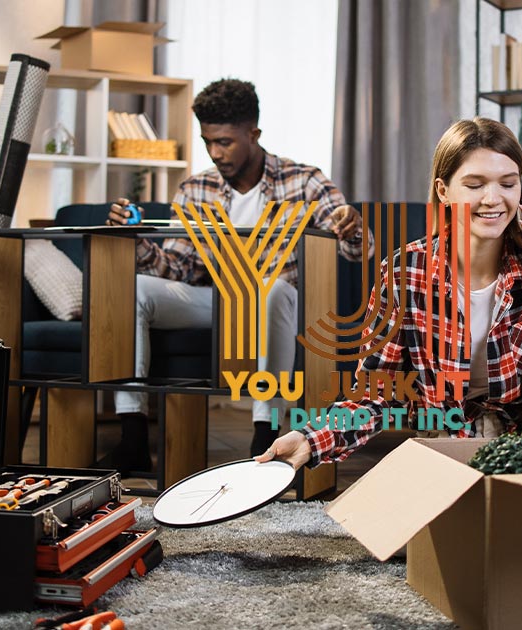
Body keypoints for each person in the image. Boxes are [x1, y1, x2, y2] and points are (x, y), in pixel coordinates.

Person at [256, 117, 522, 470]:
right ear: (444, 191)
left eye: (508, 183)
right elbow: (377, 394)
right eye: (475, 184)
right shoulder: (406, 271)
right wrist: (311, 440)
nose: (493, 199)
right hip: (450, 444)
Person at [106, 78, 370, 469]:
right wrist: (135, 242)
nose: (215, 153)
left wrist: (352, 226)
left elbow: (358, 251)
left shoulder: (305, 180)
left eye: (225, 142)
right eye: (208, 141)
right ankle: (132, 437)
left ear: (253, 133)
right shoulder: (196, 189)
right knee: (137, 288)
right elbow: (181, 267)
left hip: (276, 302)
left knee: (273, 288)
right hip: (213, 301)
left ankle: (264, 434)